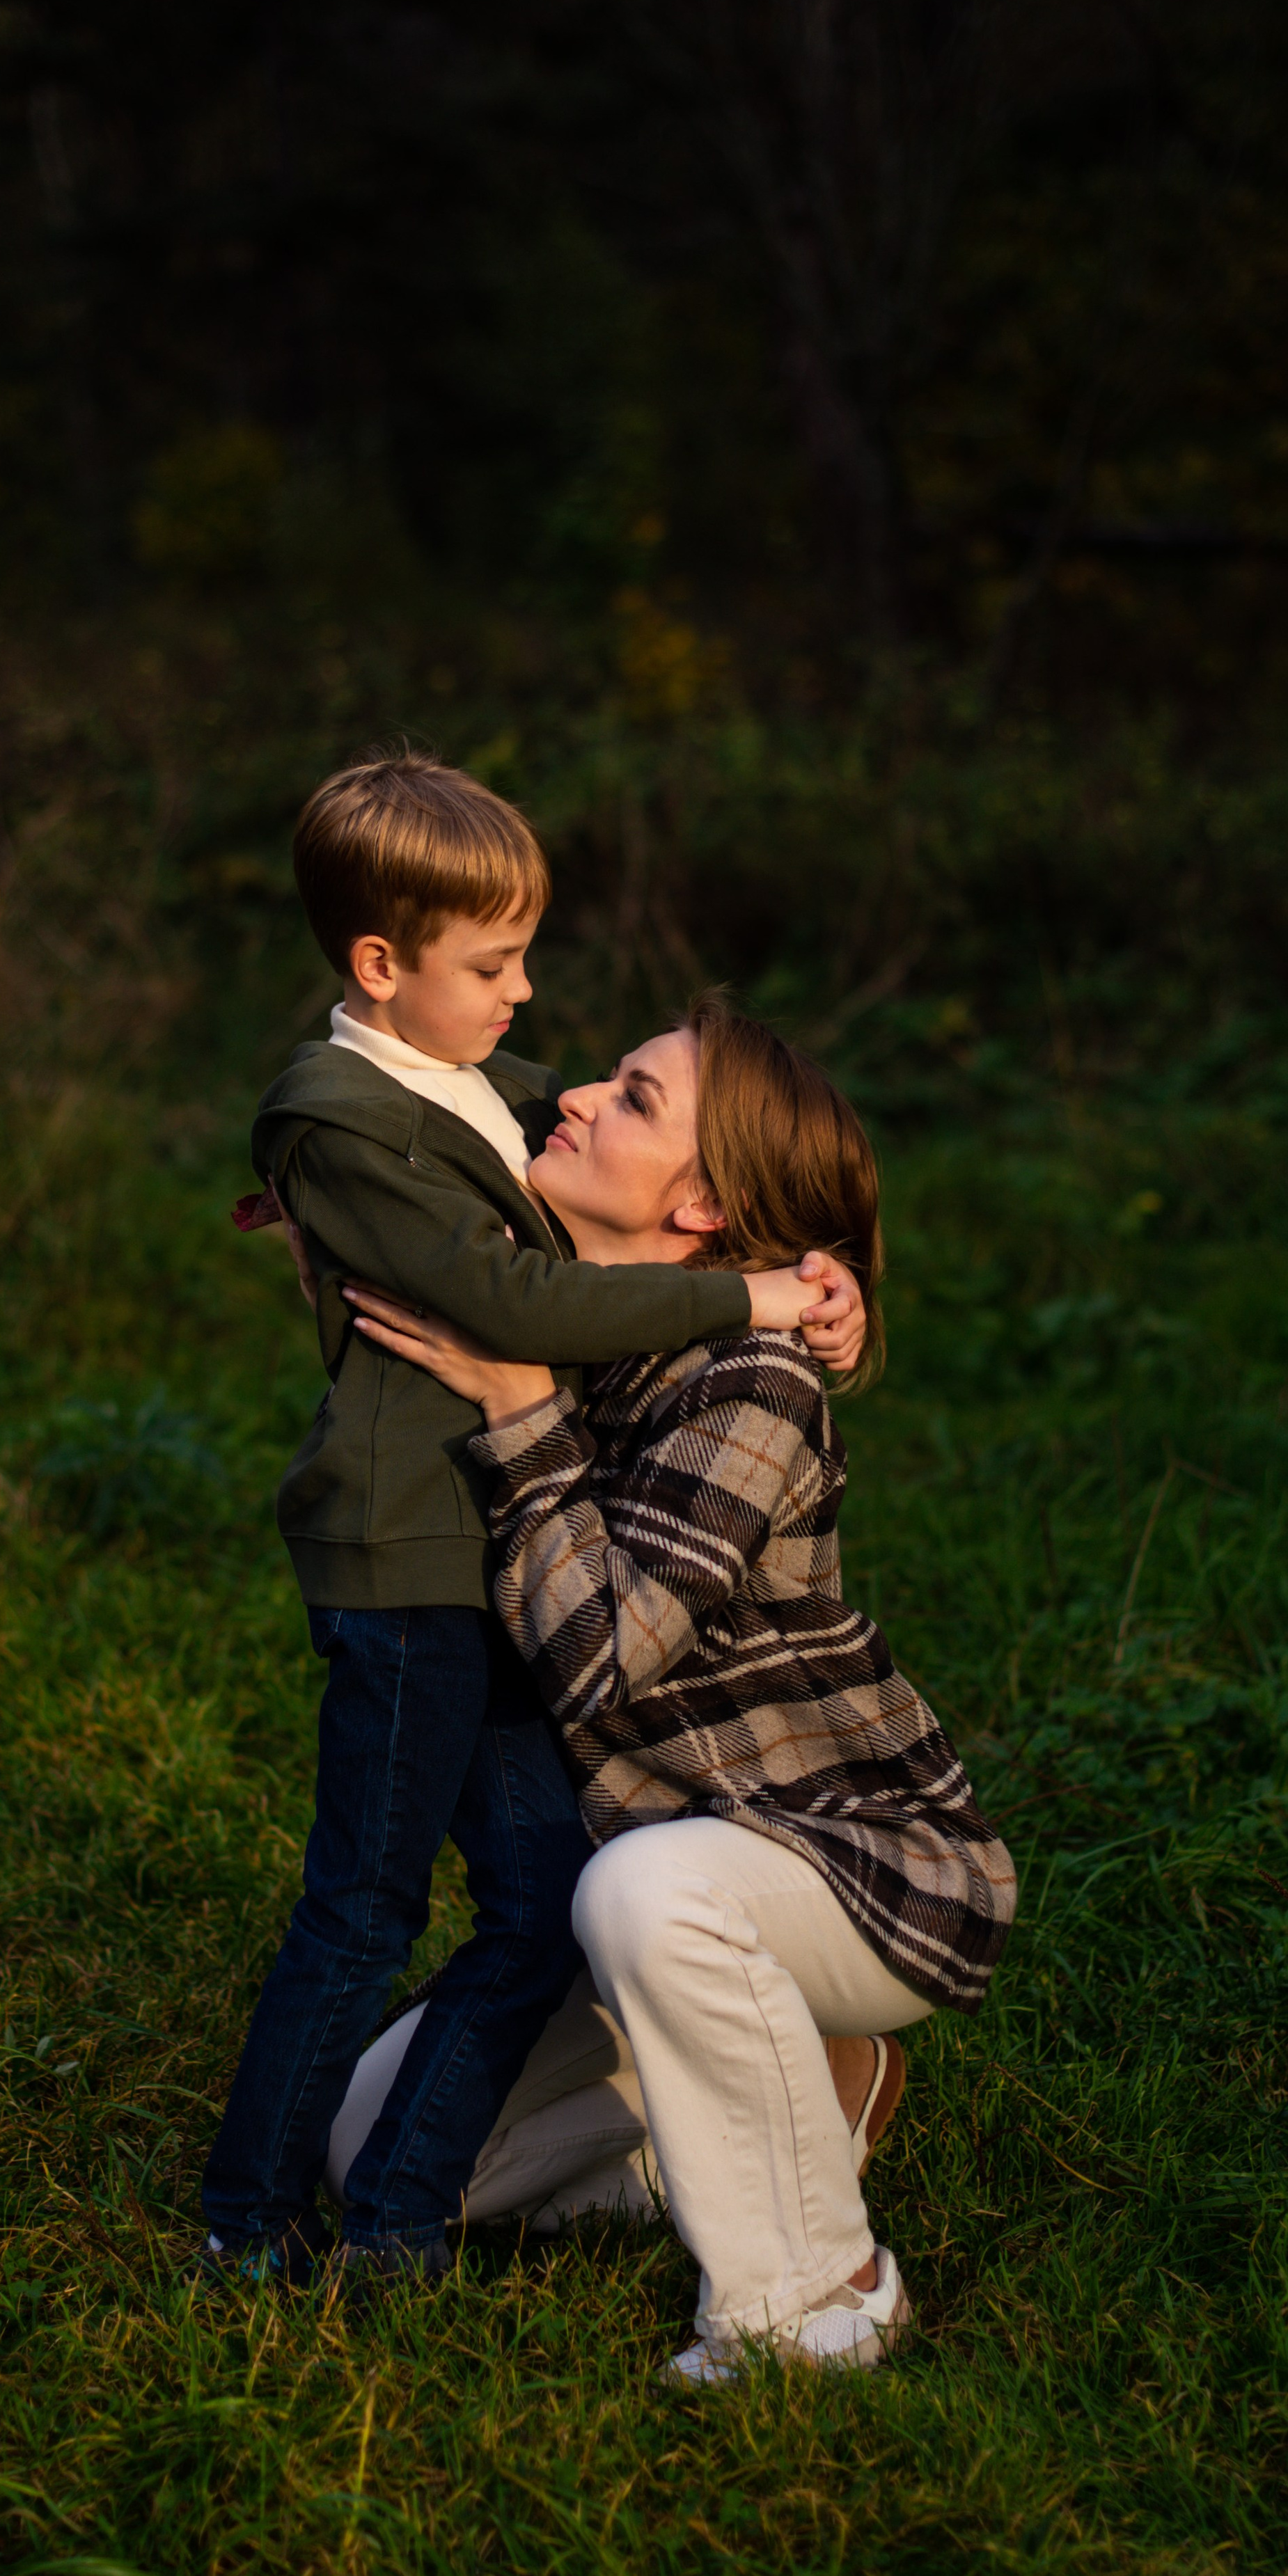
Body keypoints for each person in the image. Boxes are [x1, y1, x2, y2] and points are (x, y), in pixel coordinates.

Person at [197, 756, 867, 2286]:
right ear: (381, 966)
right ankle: (246, 2227)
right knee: (362, 1905)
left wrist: (803, 1266)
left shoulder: (455, 1092)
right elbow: (513, 1292)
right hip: (407, 1564)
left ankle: (395, 2222)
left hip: (482, 1567)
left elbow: (575, 1164)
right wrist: (748, 1286)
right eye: (491, 965)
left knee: (539, 1897)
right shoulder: (337, 1111)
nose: (524, 999)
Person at [336, 995, 1016, 2380]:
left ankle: (813, 2297)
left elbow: (597, 1662)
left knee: (646, 1893)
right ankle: (788, 2101)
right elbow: (407, 1073)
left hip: (844, 1860)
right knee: (362, 2145)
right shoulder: (537, 1288)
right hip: (655, 1866)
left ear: (701, 1206)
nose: (577, 1096)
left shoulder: (752, 1381)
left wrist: (518, 1404)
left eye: (632, 1099)